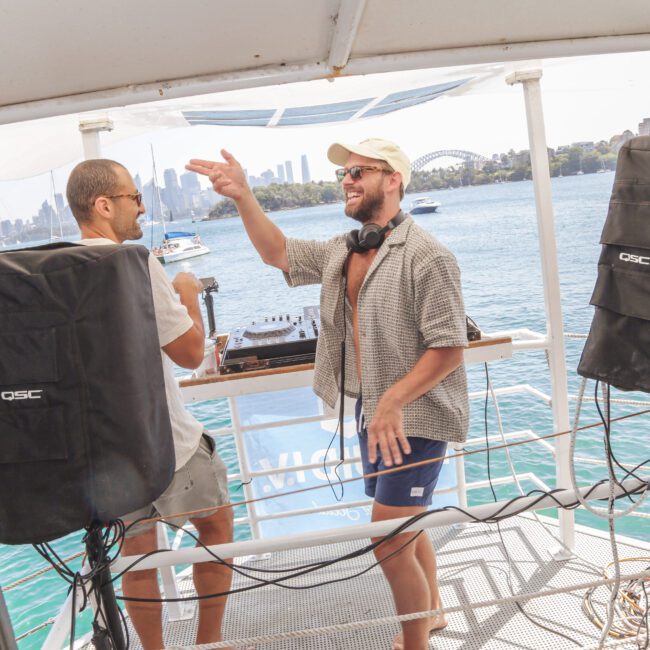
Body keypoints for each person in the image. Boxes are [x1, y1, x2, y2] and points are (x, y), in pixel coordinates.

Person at [186, 138, 469, 650]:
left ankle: (414, 644)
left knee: (385, 539)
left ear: (394, 179)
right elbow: (278, 253)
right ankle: (436, 612)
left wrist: (392, 401)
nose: (349, 180)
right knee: (404, 526)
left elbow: (448, 348)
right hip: (372, 411)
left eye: (361, 171)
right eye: (346, 173)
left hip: (414, 418)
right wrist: (243, 196)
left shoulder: (429, 257)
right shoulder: (348, 248)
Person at [66, 159, 235, 650]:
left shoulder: (59, 270)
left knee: (136, 557)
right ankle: (208, 643)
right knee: (217, 524)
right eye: (133, 197)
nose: (141, 207)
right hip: (168, 443)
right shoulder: (135, 264)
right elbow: (187, 354)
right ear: (103, 205)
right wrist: (185, 291)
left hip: (108, 454)